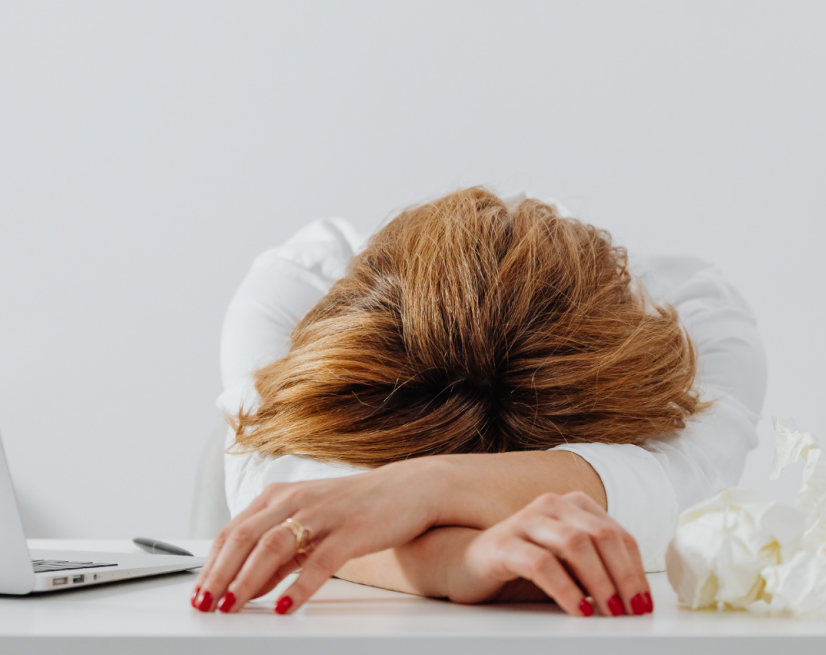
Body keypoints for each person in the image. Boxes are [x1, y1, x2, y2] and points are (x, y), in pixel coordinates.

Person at [191, 188, 767, 618]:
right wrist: (456, 559)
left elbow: (681, 488)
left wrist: (425, 487)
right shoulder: (299, 281)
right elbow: (293, 498)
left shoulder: (699, 318)